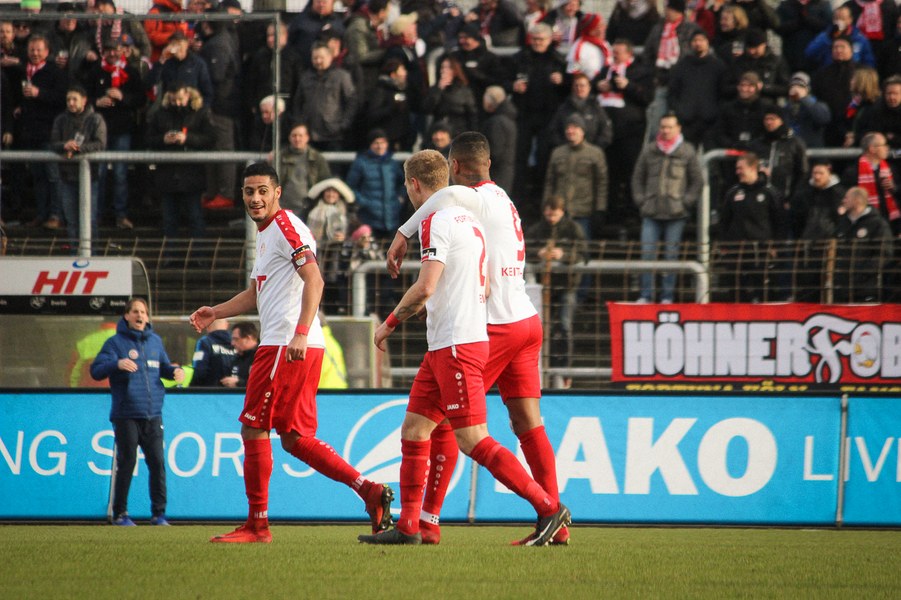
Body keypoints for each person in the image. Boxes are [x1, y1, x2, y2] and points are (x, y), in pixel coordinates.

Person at [361, 149, 571, 546]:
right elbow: (480, 280)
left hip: (483, 331)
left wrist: (402, 236)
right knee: (428, 425)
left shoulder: (460, 205)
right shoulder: (494, 205)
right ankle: (412, 526)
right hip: (522, 318)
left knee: (464, 432)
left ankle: (544, 509)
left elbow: (427, 282)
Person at [189, 162, 394, 543]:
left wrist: (299, 333)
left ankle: (257, 526)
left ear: (277, 193)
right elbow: (256, 294)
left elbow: (314, 279)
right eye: (249, 191)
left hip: (285, 344)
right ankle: (369, 491)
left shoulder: (285, 227)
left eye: (262, 191)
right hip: (292, 343)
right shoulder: (268, 233)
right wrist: (215, 312)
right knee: (295, 438)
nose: (255, 198)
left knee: (254, 427)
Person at [90, 297, 185, 526]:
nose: (140, 315)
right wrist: (116, 364)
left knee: (157, 463)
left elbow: (163, 368)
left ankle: (159, 514)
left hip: (153, 413)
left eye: (143, 312)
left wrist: (175, 371)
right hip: (127, 413)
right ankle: (120, 513)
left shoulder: (155, 341)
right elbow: (96, 371)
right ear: (126, 316)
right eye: (135, 312)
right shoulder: (115, 343)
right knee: (127, 462)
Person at [631, 113, 703, 303]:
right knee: (647, 255)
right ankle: (646, 295)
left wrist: (686, 202)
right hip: (651, 211)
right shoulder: (649, 150)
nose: (665, 130)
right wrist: (641, 200)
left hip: (676, 213)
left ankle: (667, 296)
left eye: (670, 127)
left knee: (671, 257)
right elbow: (637, 178)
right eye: (663, 127)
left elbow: (697, 181)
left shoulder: (687, 151)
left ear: (678, 128)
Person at [82, 35, 144, 230]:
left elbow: (141, 99)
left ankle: (121, 215)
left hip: (122, 129)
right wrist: (96, 102)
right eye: (108, 50)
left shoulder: (131, 72)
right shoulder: (95, 71)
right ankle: (96, 215)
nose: (112, 53)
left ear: (122, 51)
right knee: (98, 174)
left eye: (115, 49)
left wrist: (123, 97)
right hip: (99, 131)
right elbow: (83, 96)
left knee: (120, 174)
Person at [525, 196, 586, 386]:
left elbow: (583, 253)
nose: (551, 218)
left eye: (555, 214)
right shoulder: (536, 230)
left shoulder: (573, 229)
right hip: (544, 287)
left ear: (562, 212)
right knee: (544, 328)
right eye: (549, 214)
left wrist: (563, 255)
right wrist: (539, 253)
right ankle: (544, 369)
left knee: (564, 327)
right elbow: (524, 250)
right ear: (544, 212)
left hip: (568, 285)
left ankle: (564, 370)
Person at [144, 81, 214, 240]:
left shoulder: (201, 112)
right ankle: (170, 253)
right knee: (169, 220)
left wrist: (187, 139)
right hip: (167, 175)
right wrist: (163, 139)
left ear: (188, 95)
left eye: (180, 99)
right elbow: (147, 139)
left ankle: (198, 253)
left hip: (191, 174)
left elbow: (211, 138)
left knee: (195, 217)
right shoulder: (160, 113)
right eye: (173, 100)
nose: (177, 103)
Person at [718, 152, 787, 302]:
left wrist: (776, 246)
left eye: (740, 168)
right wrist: (724, 245)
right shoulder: (733, 192)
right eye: (737, 168)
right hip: (738, 250)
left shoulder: (770, 192)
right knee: (736, 289)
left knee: (763, 289)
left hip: (761, 250)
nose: (737, 172)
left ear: (752, 168)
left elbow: (780, 221)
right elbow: (724, 221)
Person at [50, 84, 107, 248]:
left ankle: (91, 256)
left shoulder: (96, 119)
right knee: (72, 221)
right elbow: (53, 143)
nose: (71, 103)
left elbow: (100, 144)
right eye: (68, 99)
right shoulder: (60, 120)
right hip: (67, 178)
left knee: (90, 220)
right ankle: (74, 256)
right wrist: (64, 145)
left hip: (90, 177)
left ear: (84, 100)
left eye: (74, 99)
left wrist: (78, 148)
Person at [544, 114, 609, 240]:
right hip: (559, 212)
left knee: (581, 246)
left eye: (575, 127)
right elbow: (549, 182)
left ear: (583, 131)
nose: (570, 131)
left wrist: (600, 209)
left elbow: (601, 183)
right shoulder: (557, 153)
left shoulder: (595, 153)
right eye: (568, 128)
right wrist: (546, 205)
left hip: (584, 211)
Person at [291, 41, 357, 151]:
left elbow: (352, 101)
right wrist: (299, 122)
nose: (318, 61)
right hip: (309, 134)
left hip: (333, 135)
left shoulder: (341, 76)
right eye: (315, 58)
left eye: (321, 58)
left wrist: (344, 124)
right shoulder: (306, 77)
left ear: (330, 57)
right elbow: (297, 102)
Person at [667, 29, 726, 147]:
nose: (698, 43)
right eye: (695, 40)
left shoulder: (718, 66)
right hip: (687, 121)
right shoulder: (681, 66)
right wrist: (680, 111)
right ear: (690, 44)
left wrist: (716, 112)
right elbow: (672, 92)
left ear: (707, 42)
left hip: (711, 121)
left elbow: (723, 92)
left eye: (701, 40)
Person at [834, 186, 893, 302]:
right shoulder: (843, 223)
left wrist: (863, 272)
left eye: (847, 198)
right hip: (842, 289)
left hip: (866, 288)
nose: (843, 201)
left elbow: (884, 254)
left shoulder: (877, 223)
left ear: (857, 200)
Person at [346, 128, 406, 240]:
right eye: (376, 143)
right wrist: (363, 202)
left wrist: (399, 199)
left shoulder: (392, 163)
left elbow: (403, 183)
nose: (380, 146)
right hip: (368, 218)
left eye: (382, 142)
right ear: (370, 145)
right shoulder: (361, 163)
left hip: (392, 218)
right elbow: (351, 187)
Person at [841, 132, 900, 236]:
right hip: (865, 225)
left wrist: (894, 188)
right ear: (872, 149)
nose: (887, 148)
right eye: (884, 145)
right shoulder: (853, 172)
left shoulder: (891, 169)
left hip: (892, 223)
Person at [422, 56, 478, 138]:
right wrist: (439, 89)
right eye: (442, 67)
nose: (444, 71)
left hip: (458, 131)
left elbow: (472, 114)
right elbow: (427, 108)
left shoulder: (463, 90)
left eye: (448, 68)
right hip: (439, 131)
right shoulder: (435, 89)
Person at [481, 86, 517, 193]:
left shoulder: (496, 122)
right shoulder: (508, 118)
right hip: (506, 172)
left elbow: (495, 151)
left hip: (496, 174)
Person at [781, 71, 831, 148]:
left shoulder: (818, 105)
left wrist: (804, 98)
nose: (796, 90)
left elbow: (823, 119)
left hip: (812, 150)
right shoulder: (785, 108)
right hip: (791, 149)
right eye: (793, 86)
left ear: (807, 89)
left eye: (800, 87)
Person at [191, 318, 236, 387]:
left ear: (207, 326)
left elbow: (199, 370)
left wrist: (192, 387)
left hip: (210, 390)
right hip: (236, 390)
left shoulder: (204, 342)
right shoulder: (236, 342)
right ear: (227, 325)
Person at [221, 321, 258, 388]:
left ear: (248, 338)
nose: (232, 343)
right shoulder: (237, 359)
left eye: (236, 339)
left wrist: (239, 383)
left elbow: (264, 384)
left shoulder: (262, 357)